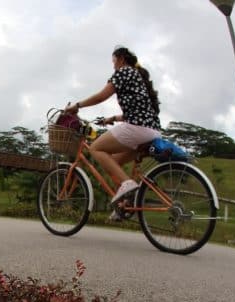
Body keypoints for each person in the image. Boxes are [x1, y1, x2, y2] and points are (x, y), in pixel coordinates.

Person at [63, 45, 162, 222]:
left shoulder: (123, 72)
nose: (113, 66)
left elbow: (101, 96)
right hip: (151, 130)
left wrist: (75, 106)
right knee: (114, 162)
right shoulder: (137, 75)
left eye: (114, 62)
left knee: (96, 148)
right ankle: (124, 205)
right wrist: (112, 118)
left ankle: (129, 185)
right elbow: (138, 110)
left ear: (121, 59)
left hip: (137, 128)